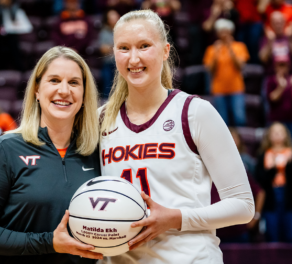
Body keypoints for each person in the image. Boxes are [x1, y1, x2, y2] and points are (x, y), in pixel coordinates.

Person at [99, 10, 254, 264]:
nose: (134, 57)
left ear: (165, 50)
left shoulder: (195, 112)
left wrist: (177, 218)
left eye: (144, 46)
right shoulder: (101, 119)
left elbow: (243, 206)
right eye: (124, 48)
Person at [0, 46, 103, 263]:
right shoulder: (3, 149)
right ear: (37, 90)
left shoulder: (98, 154)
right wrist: (49, 243)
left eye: (74, 82)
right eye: (54, 80)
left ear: (84, 95)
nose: (64, 91)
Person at [255, 122, 292, 243]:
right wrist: (273, 168)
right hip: (270, 197)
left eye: (280, 132)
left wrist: (289, 164)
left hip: (287, 196)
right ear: (269, 136)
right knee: (272, 234)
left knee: (289, 233)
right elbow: (260, 179)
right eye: (274, 132)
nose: (277, 135)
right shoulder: (263, 154)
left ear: (286, 135)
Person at [203, 19, 249, 127]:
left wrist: (230, 49)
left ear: (231, 31)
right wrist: (216, 53)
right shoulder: (212, 49)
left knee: (239, 119)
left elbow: (240, 66)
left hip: (236, 88)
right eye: (221, 31)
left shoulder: (239, 46)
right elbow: (210, 70)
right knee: (222, 121)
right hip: (219, 89)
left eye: (226, 31)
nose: (223, 34)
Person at [265, 56, 292, 146]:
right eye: (279, 65)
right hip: (276, 120)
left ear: (288, 66)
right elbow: (272, 98)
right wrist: (281, 87)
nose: (282, 68)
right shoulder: (271, 80)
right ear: (275, 66)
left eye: (284, 65)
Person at [99, 9, 120, 98]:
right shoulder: (104, 32)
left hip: (120, 62)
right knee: (107, 81)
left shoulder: (122, 31)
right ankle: (106, 101)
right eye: (112, 17)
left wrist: (111, 47)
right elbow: (103, 49)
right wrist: (116, 47)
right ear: (108, 20)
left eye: (116, 16)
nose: (115, 18)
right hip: (108, 63)